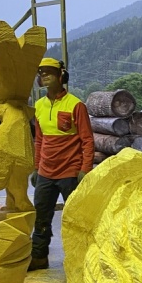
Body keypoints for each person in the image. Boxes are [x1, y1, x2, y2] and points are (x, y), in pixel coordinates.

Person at [29, 57, 93, 271]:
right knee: (40, 216)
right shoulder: (39, 106)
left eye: (49, 72)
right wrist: (36, 167)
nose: (44, 76)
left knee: (76, 218)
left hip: (70, 172)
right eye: (41, 73)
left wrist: (85, 169)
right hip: (46, 172)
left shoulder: (76, 105)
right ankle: (39, 257)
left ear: (61, 76)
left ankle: (80, 260)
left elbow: (87, 140)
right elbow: (39, 140)